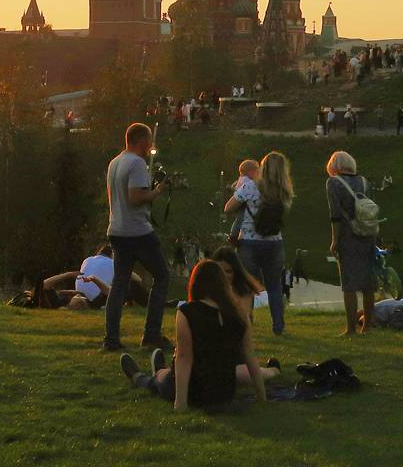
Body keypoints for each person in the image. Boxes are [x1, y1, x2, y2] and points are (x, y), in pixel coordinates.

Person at [119, 260, 267, 411]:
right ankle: (161, 370)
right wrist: (262, 397)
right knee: (166, 374)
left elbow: (184, 358)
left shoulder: (187, 312)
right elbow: (250, 356)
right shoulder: (239, 313)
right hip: (224, 393)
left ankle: (140, 377)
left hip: (195, 392)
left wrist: (180, 403)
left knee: (156, 382)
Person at [102, 123, 171, 352]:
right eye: (149, 140)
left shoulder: (115, 162)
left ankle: (111, 339)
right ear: (141, 140)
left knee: (119, 284)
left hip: (116, 230)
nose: (151, 144)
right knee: (162, 277)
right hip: (138, 232)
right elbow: (135, 197)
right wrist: (157, 192)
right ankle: (151, 334)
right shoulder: (137, 163)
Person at [224, 150, 293, 335]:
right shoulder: (284, 192)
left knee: (246, 285)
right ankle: (279, 326)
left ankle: (247, 324)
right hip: (274, 243)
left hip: (248, 242)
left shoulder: (250, 187)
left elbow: (228, 208)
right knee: (274, 287)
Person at [325, 151, 378, 335]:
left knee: (349, 284)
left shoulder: (333, 183)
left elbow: (335, 215)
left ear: (335, 166)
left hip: (348, 236)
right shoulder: (364, 181)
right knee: (368, 284)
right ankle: (367, 327)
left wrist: (334, 240)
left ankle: (350, 329)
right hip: (368, 235)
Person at [42, 244, 148, 310]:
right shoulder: (94, 303)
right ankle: (152, 303)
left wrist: (68, 274)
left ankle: (144, 302)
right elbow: (138, 280)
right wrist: (95, 280)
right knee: (132, 284)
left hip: (91, 293)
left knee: (122, 283)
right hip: (100, 294)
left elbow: (45, 284)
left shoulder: (61, 301)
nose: (79, 298)